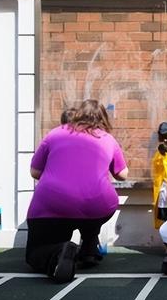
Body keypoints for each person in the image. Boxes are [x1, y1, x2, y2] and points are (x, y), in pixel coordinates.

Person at [26, 99, 128, 283]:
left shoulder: (55, 134)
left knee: (34, 254)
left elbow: (35, 172)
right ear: (103, 118)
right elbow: (122, 175)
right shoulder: (107, 139)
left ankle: (59, 251)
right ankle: (89, 249)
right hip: (97, 206)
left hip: (52, 205)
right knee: (92, 208)